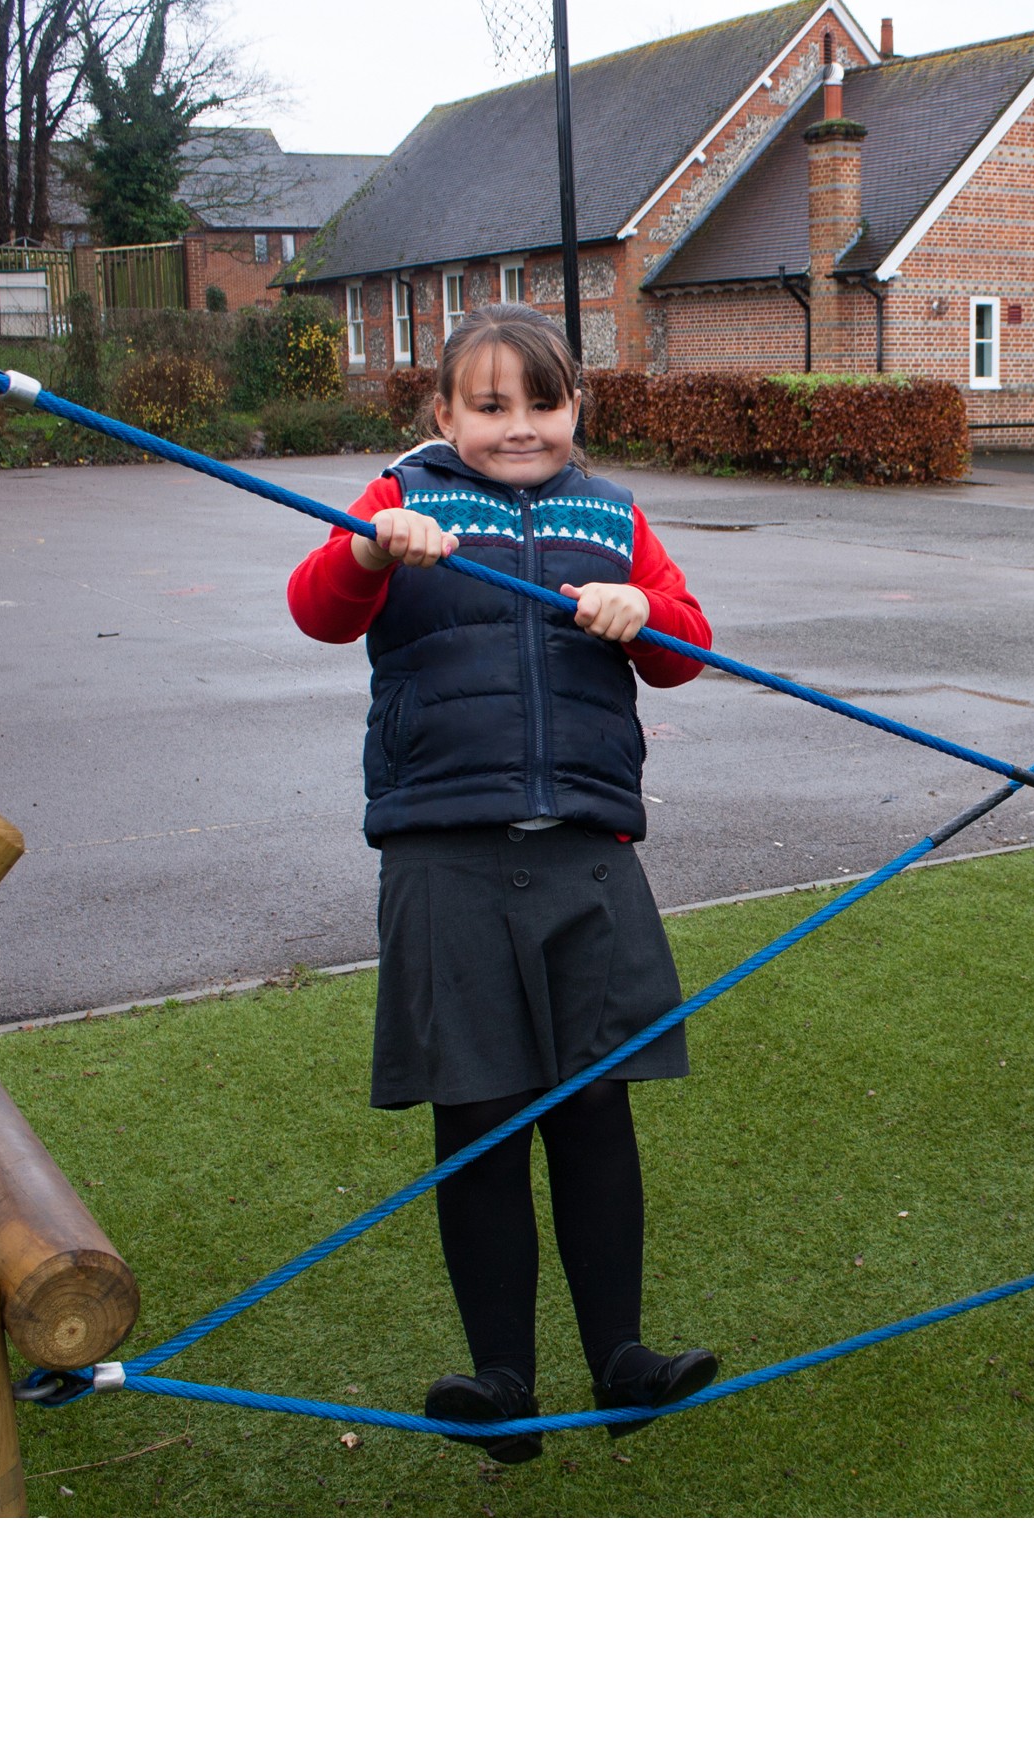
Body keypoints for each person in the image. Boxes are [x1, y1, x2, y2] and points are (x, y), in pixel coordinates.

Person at [286, 304, 717, 1459]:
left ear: (576, 409)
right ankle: (502, 1382)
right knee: (477, 1117)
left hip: (586, 850)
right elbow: (319, 608)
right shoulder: (397, 498)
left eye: (543, 403)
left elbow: (685, 649)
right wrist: (372, 549)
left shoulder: (612, 513)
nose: (518, 427)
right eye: (489, 407)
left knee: (592, 1110)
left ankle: (622, 1358)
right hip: (447, 853)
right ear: (443, 413)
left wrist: (648, 614)